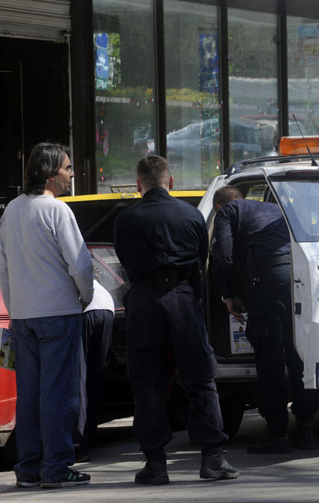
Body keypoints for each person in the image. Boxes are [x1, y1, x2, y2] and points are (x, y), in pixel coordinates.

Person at [113, 155, 237, 485]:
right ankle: (212, 457)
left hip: (144, 301)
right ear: (170, 182)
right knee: (199, 377)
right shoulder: (191, 215)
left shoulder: (126, 219)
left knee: (147, 382)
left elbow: (123, 259)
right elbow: (201, 259)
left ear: (138, 185)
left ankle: (155, 463)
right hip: (182, 297)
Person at [0, 142, 95, 488]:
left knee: (30, 395)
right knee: (59, 394)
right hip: (58, 313)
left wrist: (15, 309)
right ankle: (55, 467)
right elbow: (81, 264)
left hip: (24, 317)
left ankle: (28, 468)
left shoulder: (11, 210)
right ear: (52, 175)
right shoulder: (57, 211)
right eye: (68, 169)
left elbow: (4, 268)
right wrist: (85, 297)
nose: (72, 174)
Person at [211, 186, 317, 453]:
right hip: (298, 281)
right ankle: (306, 429)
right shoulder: (273, 208)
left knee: (269, 357)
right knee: (298, 355)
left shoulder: (227, 213)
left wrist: (228, 295)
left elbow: (223, 256)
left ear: (218, 208)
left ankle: (277, 434)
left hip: (269, 282)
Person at [73, 279, 115, 463]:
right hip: (106, 306)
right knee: (95, 377)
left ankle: (80, 443)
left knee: (79, 378)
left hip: (84, 306)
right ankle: (88, 437)